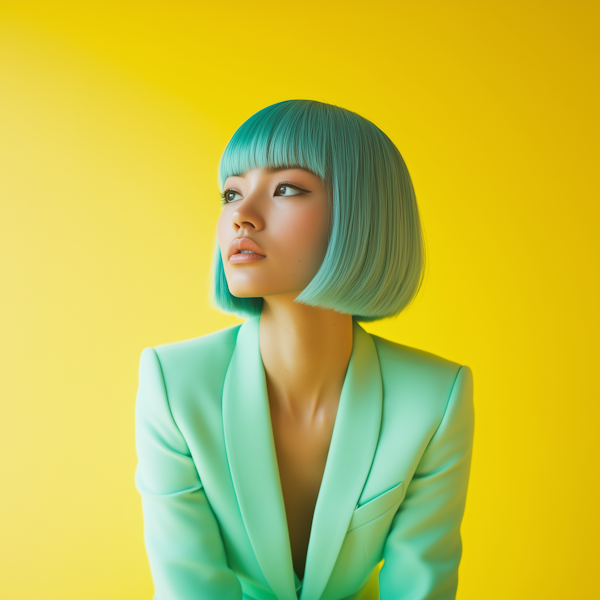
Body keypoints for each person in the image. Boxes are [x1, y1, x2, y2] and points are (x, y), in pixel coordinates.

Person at [134, 99, 475, 600]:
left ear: (362, 215)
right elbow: (190, 585)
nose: (241, 217)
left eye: (287, 188)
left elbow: (421, 583)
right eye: (231, 193)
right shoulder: (174, 384)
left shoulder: (434, 396)